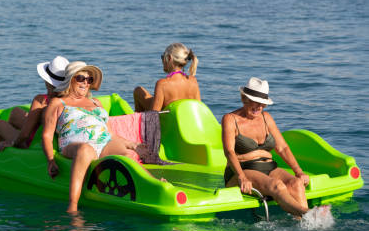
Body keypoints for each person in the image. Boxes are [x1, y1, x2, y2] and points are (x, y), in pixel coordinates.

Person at [41, 61, 140, 213]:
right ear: (70, 79)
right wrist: (50, 160)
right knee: (85, 150)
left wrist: (131, 144)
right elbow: (47, 135)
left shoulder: (96, 102)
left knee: (127, 154)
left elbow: (110, 133)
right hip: (74, 144)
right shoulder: (58, 103)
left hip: (103, 142)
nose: (85, 83)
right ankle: (72, 207)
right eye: (81, 78)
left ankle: (151, 185)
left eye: (89, 80)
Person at [221, 77, 311, 217]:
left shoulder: (266, 118)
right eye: (255, 102)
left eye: (262, 103)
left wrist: (299, 172)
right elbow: (229, 152)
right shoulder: (230, 119)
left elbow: (282, 148)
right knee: (277, 186)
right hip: (243, 170)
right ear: (244, 98)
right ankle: (308, 214)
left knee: (296, 184)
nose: (259, 107)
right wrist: (242, 177)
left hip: (269, 168)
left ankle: (306, 226)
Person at [0, 56, 69, 151]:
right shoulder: (72, 99)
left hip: (33, 144)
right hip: (51, 138)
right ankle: (1, 136)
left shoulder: (41, 101)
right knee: (15, 112)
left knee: (0, 124)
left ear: (47, 80)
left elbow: (25, 135)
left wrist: (12, 143)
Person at [133, 43, 200, 112]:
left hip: (168, 119)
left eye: (163, 57)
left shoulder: (162, 84)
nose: (162, 60)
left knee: (138, 91)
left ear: (169, 58)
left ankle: (137, 120)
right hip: (183, 118)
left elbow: (153, 116)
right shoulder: (193, 81)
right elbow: (199, 108)